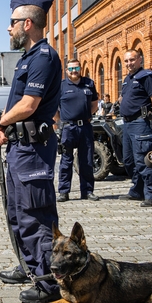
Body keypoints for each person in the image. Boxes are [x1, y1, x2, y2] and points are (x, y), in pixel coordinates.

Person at [0, 0, 62, 303]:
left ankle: (48, 282)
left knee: (36, 214)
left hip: (33, 147)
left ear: (27, 24)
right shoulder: (28, 58)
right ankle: (29, 266)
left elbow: (28, 104)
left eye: (13, 23)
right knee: (18, 213)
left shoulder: (43, 57)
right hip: (22, 146)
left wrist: (0, 123)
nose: (9, 28)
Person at [117, 49, 152, 207]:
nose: (129, 63)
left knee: (143, 161)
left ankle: (151, 195)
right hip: (127, 124)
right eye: (127, 61)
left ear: (139, 60)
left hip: (140, 123)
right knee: (129, 161)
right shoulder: (127, 79)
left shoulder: (146, 77)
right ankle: (137, 191)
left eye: (132, 60)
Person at [54, 59, 99, 202]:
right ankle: (64, 192)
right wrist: (59, 123)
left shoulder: (89, 83)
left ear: (80, 68)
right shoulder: (60, 86)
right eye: (71, 69)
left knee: (86, 160)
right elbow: (55, 109)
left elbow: (95, 105)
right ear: (66, 70)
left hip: (85, 127)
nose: (74, 71)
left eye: (76, 68)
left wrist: (86, 116)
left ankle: (87, 191)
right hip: (68, 128)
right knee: (66, 160)